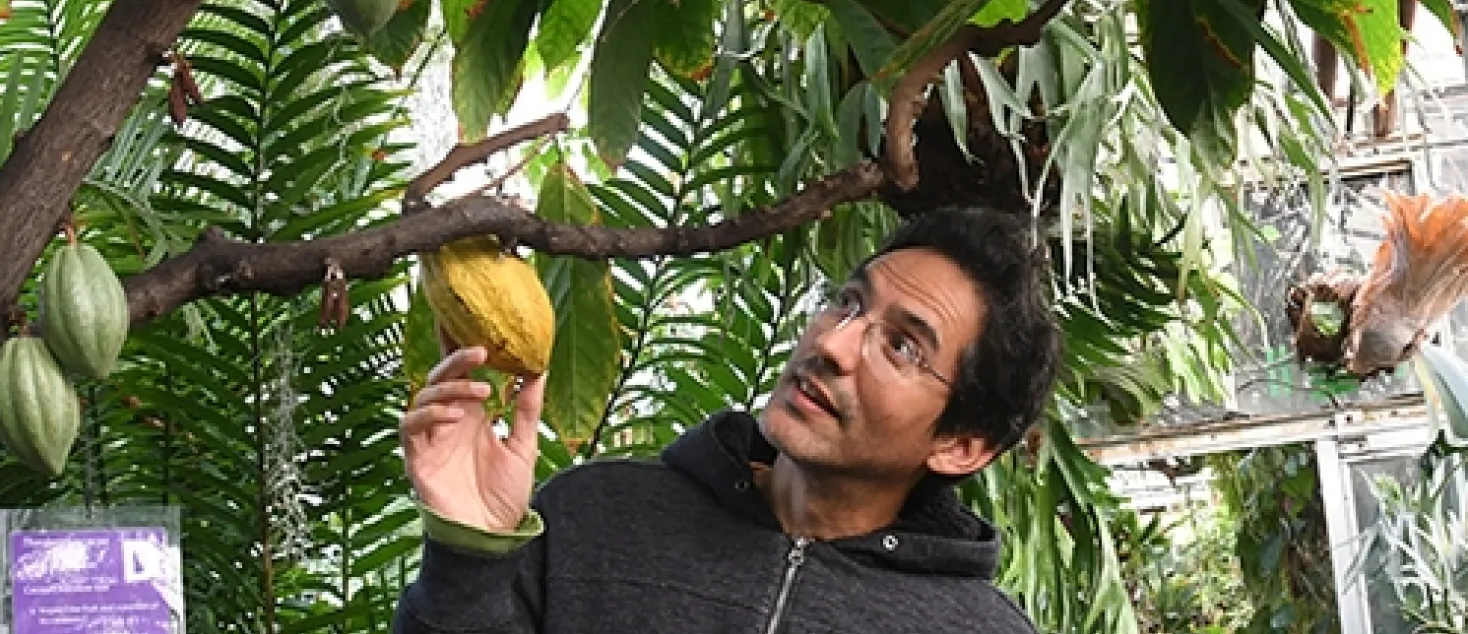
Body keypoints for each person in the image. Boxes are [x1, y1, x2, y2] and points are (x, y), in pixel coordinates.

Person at [392, 205, 1064, 633]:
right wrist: (469, 551)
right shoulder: (594, 516)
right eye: (848, 303)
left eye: (902, 346)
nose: (831, 345)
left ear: (962, 445)